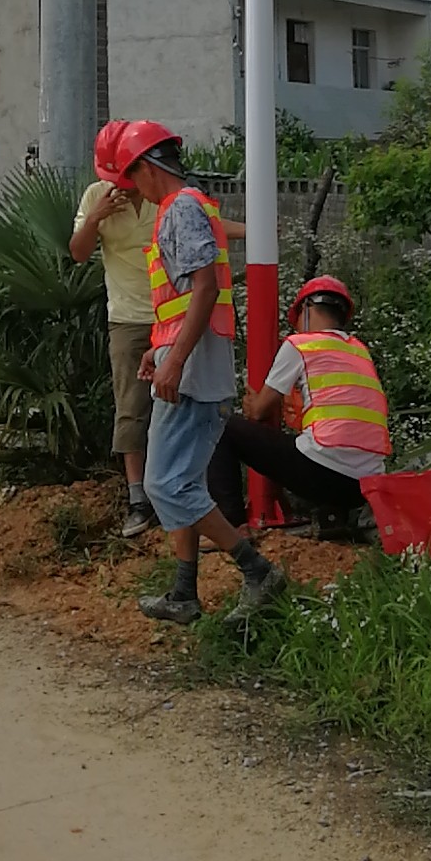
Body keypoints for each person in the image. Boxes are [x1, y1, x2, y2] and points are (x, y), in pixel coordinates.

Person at [112, 120, 287, 626]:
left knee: (165, 486)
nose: (134, 192)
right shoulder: (187, 206)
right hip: (185, 364)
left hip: (190, 371)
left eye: (132, 180)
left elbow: (206, 289)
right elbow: (184, 298)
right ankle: (185, 593)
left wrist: (174, 359)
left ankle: (257, 571)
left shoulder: (181, 208)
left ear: (146, 169)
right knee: (181, 482)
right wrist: (159, 349)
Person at [207, 276, 390, 532]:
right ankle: (334, 520)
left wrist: (251, 404)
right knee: (314, 443)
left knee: (221, 427)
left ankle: (231, 525)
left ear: (305, 311)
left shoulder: (300, 344)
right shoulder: (360, 350)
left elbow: (259, 411)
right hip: (364, 487)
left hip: (323, 475)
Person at [71, 121, 158, 538]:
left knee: (184, 405)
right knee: (132, 406)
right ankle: (138, 498)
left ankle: (180, 492)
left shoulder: (164, 192)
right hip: (127, 319)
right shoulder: (96, 195)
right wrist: (96, 218)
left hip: (173, 316)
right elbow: (78, 252)